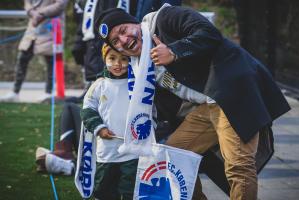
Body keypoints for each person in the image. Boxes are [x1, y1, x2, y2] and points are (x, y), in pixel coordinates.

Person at [95, 6, 291, 200]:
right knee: (172, 158)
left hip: (233, 92)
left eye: (123, 30)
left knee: (238, 165)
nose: (124, 40)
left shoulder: (166, 18)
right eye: (115, 41)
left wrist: (174, 51)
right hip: (208, 106)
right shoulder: (139, 67)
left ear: (134, 22)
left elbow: (209, 34)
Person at [80, 43, 138, 200]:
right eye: (112, 58)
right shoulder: (99, 85)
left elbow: (150, 112)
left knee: (130, 190)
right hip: (107, 150)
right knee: (104, 188)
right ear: (104, 58)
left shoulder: (138, 85)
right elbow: (87, 109)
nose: (118, 64)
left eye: (124, 59)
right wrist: (99, 128)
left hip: (132, 150)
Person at [0, 0, 68, 102]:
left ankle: (48, 93)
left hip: (51, 27)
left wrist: (40, 13)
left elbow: (60, 4)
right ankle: (15, 92)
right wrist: (33, 13)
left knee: (50, 60)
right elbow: (27, 2)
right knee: (22, 57)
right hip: (33, 27)